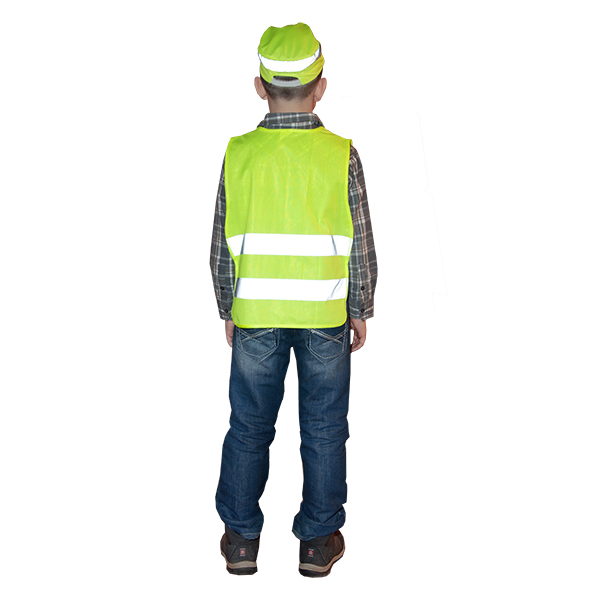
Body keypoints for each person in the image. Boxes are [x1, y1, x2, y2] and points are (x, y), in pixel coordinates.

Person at [209, 23, 377, 578]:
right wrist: (360, 306)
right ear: (320, 87)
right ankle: (318, 541)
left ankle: (240, 540)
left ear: (260, 86)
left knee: (248, 427)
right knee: (325, 429)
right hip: (325, 316)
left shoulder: (239, 154)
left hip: (256, 315)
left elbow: (221, 242)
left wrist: (228, 306)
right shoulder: (341, 154)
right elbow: (360, 240)